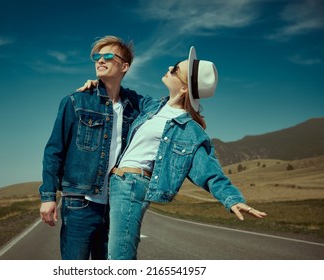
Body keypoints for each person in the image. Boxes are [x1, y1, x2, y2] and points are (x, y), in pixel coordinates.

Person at [81, 46, 267, 260]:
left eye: (176, 68)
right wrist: (97, 85)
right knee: (105, 253)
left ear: (185, 88)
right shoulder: (152, 106)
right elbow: (121, 93)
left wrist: (232, 199)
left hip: (131, 185)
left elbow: (209, 171)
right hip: (114, 182)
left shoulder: (189, 130)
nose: (170, 67)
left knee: (119, 257)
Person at [39, 35, 144, 260]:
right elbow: (54, 150)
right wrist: (48, 196)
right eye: (97, 56)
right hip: (79, 204)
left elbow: (165, 106)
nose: (100, 60)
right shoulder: (76, 101)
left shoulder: (134, 106)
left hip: (115, 207)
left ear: (124, 66)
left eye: (108, 56)